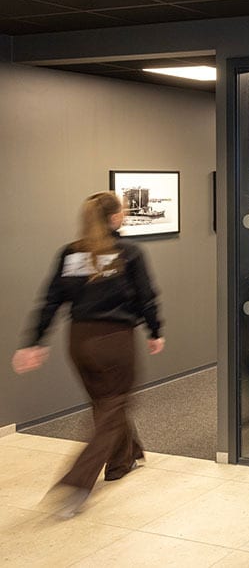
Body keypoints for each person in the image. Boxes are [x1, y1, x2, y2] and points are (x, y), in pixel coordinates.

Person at [11, 191, 165, 518]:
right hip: (115, 340)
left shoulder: (70, 253)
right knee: (114, 405)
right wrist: (155, 331)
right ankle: (76, 483)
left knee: (105, 402)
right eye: (122, 213)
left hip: (78, 340)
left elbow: (51, 300)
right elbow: (146, 297)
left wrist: (34, 341)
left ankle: (123, 460)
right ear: (114, 218)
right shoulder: (128, 253)